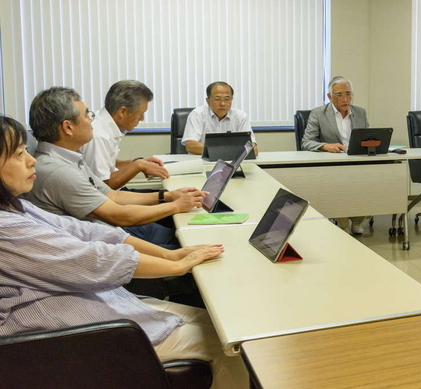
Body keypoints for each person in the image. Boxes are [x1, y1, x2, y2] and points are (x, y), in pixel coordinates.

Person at [0, 115, 248, 388]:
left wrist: (171, 255)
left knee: (219, 325)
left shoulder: (17, 206)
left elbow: (88, 231)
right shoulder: (5, 226)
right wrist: (176, 265)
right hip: (66, 333)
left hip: (96, 306)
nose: (31, 160)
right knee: (229, 348)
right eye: (19, 154)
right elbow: (89, 259)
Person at [24, 87, 203, 249]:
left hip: (108, 231)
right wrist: (176, 205)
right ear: (68, 127)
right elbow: (119, 216)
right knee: (191, 248)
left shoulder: (69, 157)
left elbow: (113, 195)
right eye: (87, 115)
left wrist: (168, 196)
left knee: (189, 237)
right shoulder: (58, 171)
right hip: (101, 245)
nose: (91, 120)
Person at [301, 76, 369, 234]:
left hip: (357, 162)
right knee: (340, 183)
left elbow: (366, 138)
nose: (345, 99)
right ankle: (342, 221)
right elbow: (306, 142)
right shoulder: (319, 113)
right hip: (333, 164)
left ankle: (358, 220)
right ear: (329, 97)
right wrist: (325, 146)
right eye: (339, 95)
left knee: (372, 180)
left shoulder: (360, 112)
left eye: (348, 94)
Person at [82, 80, 170, 189]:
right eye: (141, 113)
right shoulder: (98, 135)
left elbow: (108, 164)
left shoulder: (104, 124)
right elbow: (103, 187)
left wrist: (137, 162)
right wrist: (138, 166)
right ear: (122, 112)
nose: (142, 118)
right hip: (107, 196)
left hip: (114, 194)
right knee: (169, 196)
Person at [182, 81, 259, 156]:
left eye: (227, 99)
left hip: (232, 161)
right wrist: (224, 152)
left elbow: (252, 147)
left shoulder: (240, 116)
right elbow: (191, 146)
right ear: (208, 101)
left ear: (231, 100)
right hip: (201, 160)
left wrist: (222, 152)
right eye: (217, 99)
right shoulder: (197, 114)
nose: (222, 103)